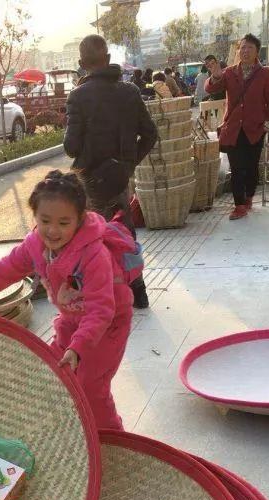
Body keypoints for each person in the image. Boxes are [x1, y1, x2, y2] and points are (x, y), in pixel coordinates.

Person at [0, 171, 136, 430]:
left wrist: (77, 348)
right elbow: (0, 272)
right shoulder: (35, 245)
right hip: (72, 320)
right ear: (35, 216)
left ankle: (113, 441)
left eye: (64, 222)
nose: (53, 230)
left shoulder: (94, 255)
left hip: (108, 326)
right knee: (53, 375)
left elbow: (101, 310)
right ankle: (75, 431)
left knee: (90, 388)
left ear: (80, 219)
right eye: (45, 220)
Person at [64, 35, 157, 308]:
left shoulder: (78, 96)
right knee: (125, 235)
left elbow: (71, 147)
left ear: (82, 63)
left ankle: (100, 299)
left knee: (90, 241)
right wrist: (128, 164)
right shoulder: (130, 92)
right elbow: (150, 134)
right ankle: (138, 290)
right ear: (107, 59)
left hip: (89, 181)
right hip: (119, 179)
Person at [205, 34, 269, 220]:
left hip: (255, 129)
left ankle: (249, 197)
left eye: (250, 48)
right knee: (237, 168)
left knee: (251, 166)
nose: (245, 51)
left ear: (257, 51)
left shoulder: (265, 73)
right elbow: (211, 89)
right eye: (243, 47)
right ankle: (239, 205)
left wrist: (268, 124)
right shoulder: (229, 72)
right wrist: (215, 77)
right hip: (233, 129)